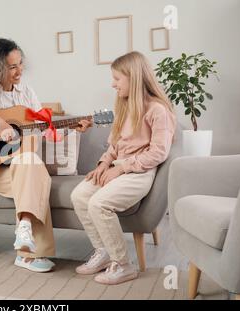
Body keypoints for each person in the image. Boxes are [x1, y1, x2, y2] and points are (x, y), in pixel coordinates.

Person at [0, 38, 92, 272]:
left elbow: (42, 130)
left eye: (20, 64)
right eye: (12, 67)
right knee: (37, 177)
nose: (19, 71)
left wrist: (70, 129)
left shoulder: (26, 93)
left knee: (30, 161)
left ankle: (24, 228)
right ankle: (28, 255)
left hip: (20, 168)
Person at [70, 51, 176, 284]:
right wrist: (104, 163)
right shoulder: (124, 107)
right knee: (79, 195)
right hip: (118, 168)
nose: (113, 84)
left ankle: (124, 265)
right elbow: (114, 145)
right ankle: (104, 252)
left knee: (99, 204)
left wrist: (120, 168)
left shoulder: (158, 110)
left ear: (134, 78)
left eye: (117, 79)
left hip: (139, 173)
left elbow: (159, 152)